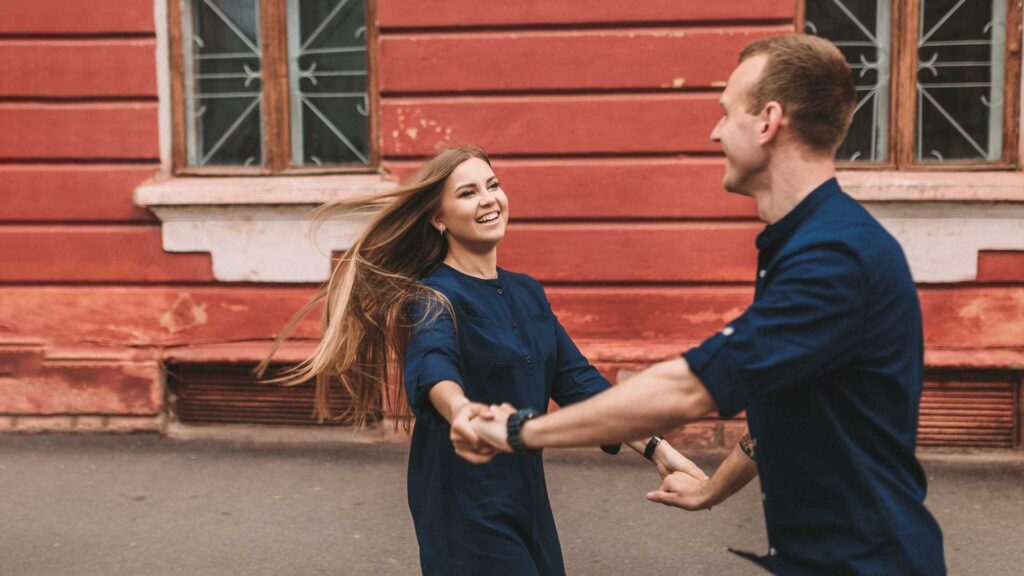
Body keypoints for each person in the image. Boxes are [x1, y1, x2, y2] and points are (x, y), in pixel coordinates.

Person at [469, 34, 946, 575]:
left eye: (726, 113)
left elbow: (690, 386)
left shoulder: (835, 257)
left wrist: (518, 431)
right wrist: (711, 490)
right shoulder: (804, 241)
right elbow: (784, 400)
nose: (715, 132)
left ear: (767, 122)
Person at [258, 146, 704, 576]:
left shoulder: (527, 291)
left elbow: (578, 382)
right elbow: (434, 366)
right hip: (462, 503)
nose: (488, 199)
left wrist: (658, 449)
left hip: (526, 495)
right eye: (468, 192)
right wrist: (460, 411)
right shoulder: (434, 297)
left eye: (492, 185)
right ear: (438, 218)